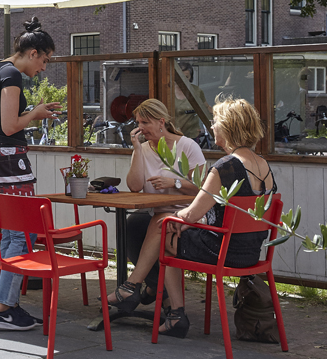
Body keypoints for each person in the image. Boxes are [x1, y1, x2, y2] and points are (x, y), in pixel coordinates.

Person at [157, 98, 276, 338]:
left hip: (223, 252)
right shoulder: (264, 165)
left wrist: (174, 218)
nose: (211, 127)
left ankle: (176, 314)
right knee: (173, 229)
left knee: (164, 232)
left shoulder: (226, 167)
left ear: (228, 128)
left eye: (215, 122)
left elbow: (191, 214)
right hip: (252, 254)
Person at [0, 17, 60, 331]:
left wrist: (34, 112)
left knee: (9, 234)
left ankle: (5, 304)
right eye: (45, 60)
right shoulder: (12, 74)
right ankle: (3, 308)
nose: (44, 68)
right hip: (7, 160)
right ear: (33, 52)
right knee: (21, 233)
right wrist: (36, 113)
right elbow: (10, 126)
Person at [106, 98, 205, 312]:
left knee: (157, 222)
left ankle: (132, 286)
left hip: (188, 214)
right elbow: (134, 186)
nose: (140, 128)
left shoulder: (187, 146)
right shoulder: (143, 148)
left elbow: (202, 189)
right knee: (132, 226)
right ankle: (154, 287)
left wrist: (174, 182)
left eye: (145, 123)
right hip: (157, 211)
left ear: (161, 122)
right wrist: (137, 151)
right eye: (138, 123)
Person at [173, 62, 210, 143]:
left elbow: (206, 108)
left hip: (192, 135)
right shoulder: (168, 92)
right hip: (174, 135)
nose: (183, 80)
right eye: (180, 76)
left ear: (191, 78)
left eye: (186, 77)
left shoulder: (196, 91)